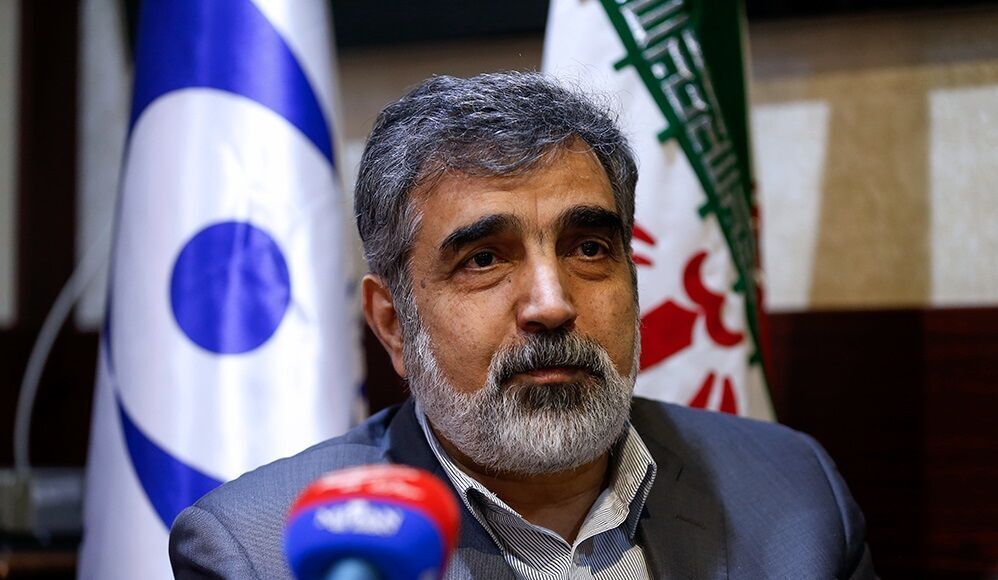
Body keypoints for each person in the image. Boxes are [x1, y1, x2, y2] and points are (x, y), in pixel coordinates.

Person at [170, 72, 876, 579]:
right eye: (483, 259)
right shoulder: (259, 552)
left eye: (589, 248)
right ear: (393, 324)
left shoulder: (795, 497)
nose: (551, 303)